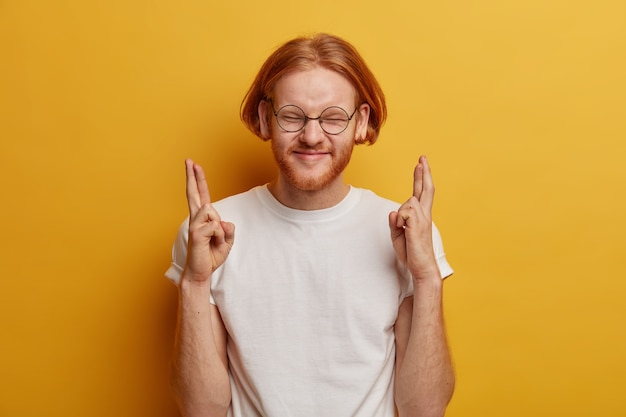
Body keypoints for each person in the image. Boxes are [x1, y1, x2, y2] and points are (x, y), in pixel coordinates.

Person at [165, 33, 455, 417]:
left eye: (333, 118)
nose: (312, 136)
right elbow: (201, 410)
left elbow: (425, 409)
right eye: (292, 115)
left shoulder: (405, 235)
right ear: (266, 119)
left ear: (361, 123)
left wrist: (426, 277)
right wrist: (195, 283)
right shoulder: (213, 234)